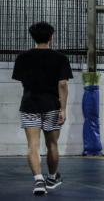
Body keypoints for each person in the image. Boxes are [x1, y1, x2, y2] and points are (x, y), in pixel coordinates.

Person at [12, 22, 73, 195]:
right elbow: (62, 84)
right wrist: (63, 108)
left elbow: (23, 80)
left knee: (33, 145)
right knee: (52, 144)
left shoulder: (22, 57)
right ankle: (52, 178)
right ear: (51, 37)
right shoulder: (60, 58)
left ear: (33, 37)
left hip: (30, 104)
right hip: (52, 106)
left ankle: (38, 181)